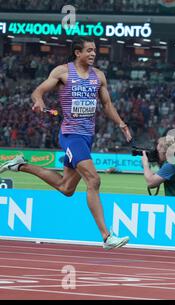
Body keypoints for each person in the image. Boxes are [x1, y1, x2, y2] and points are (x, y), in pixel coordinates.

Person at [0, 38, 131, 250]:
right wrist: (39, 102)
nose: (93, 54)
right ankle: (107, 237)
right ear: (77, 53)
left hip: (87, 137)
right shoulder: (62, 72)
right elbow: (38, 91)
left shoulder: (99, 76)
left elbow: (107, 105)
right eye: (89, 50)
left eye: (94, 51)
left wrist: (121, 124)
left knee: (66, 187)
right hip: (71, 135)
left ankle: (20, 165)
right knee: (94, 180)